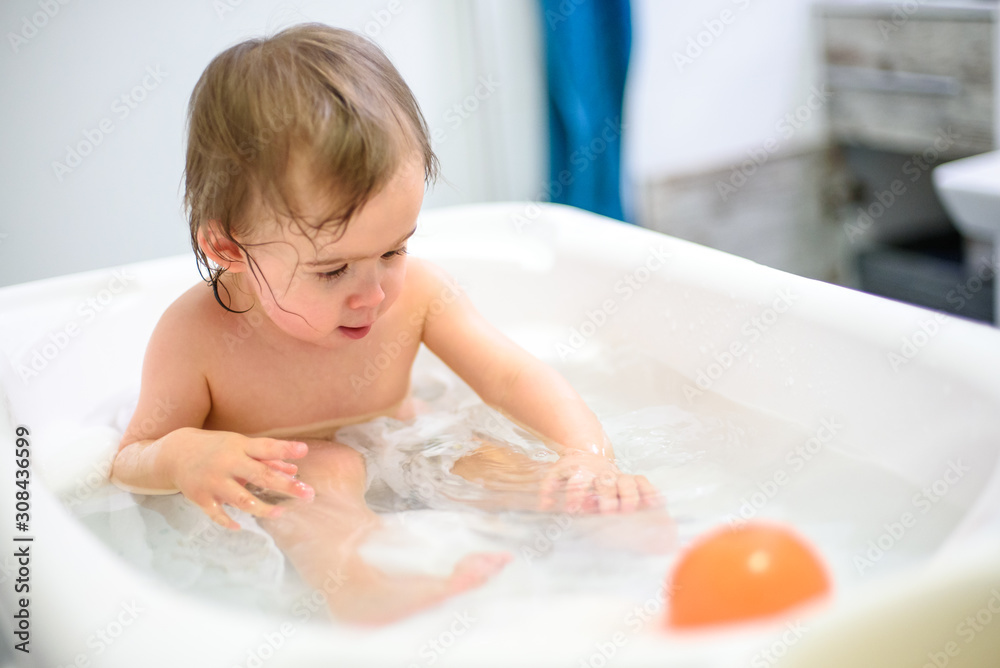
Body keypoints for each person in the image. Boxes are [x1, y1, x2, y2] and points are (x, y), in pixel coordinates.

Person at [110, 23, 660, 624]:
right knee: (321, 470)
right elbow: (131, 456)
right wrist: (185, 455)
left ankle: (639, 570)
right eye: (333, 270)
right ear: (228, 249)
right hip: (297, 483)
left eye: (394, 250)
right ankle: (365, 586)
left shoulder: (419, 293)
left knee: (493, 460)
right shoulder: (195, 337)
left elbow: (510, 376)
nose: (373, 294)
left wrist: (585, 455)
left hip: (410, 446)